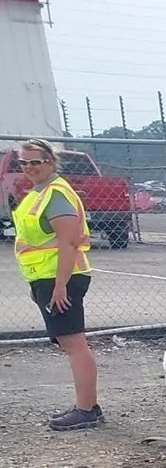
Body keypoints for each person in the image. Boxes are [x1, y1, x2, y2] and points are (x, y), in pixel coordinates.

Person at [12, 138, 101, 429]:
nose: (29, 167)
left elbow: (68, 242)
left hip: (61, 278)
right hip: (47, 277)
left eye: (35, 162)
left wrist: (59, 285)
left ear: (50, 162)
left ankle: (86, 410)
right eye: (23, 162)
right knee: (69, 342)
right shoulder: (38, 193)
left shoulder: (55, 194)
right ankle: (87, 407)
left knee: (74, 344)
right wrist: (38, 284)